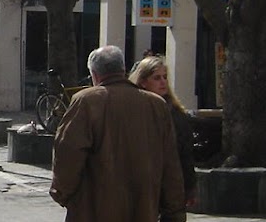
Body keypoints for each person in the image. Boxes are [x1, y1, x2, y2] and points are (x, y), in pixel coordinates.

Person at [51, 45, 186, 222]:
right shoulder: (156, 105)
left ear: (94, 74)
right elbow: (170, 162)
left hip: (94, 209)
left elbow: (67, 152)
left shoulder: (86, 102)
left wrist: (63, 193)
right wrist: (174, 209)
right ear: (122, 69)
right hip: (143, 208)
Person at [129, 55, 197, 205]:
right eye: (157, 78)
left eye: (165, 77)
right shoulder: (133, 110)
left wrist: (190, 187)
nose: (163, 82)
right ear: (143, 82)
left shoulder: (176, 113)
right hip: (139, 186)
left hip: (169, 184)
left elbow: (185, 153)